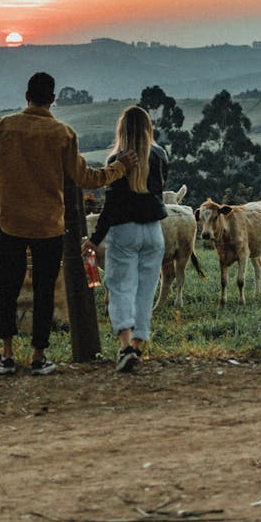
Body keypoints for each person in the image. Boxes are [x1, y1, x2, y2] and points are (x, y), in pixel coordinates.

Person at [0, 71, 136, 375]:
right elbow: (85, 179)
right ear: (53, 100)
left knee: (7, 290)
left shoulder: (3, 127)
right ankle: (38, 357)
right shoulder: (63, 134)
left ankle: (6, 353)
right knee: (44, 292)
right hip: (49, 227)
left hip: (10, 224)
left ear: (26, 96)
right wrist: (119, 168)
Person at [82, 105, 167, 373]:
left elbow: (111, 206)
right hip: (154, 231)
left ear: (122, 129)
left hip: (124, 231)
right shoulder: (160, 155)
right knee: (146, 289)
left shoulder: (116, 160)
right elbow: (158, 190)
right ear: (147, 127)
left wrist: (94, 239)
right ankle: (138, 345)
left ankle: (126, 345)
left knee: (121, 287)